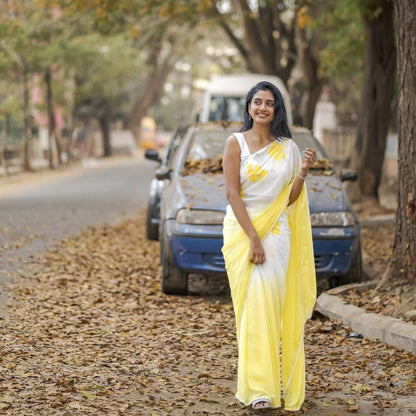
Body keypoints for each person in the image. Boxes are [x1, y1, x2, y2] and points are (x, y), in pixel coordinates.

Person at [222, 81, 317, 411]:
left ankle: (275, 380)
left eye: (269, 103)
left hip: (278, 234)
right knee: (254, 309)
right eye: (257, 102)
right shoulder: (235, 144)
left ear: (277, 110)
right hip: (243, 233)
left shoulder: (288, 148)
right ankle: (259, 389)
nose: (262, 108)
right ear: (248, 107)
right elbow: (233, 194)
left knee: (274, 309)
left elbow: (289, 199)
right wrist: (252, 238)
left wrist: (302, 172)